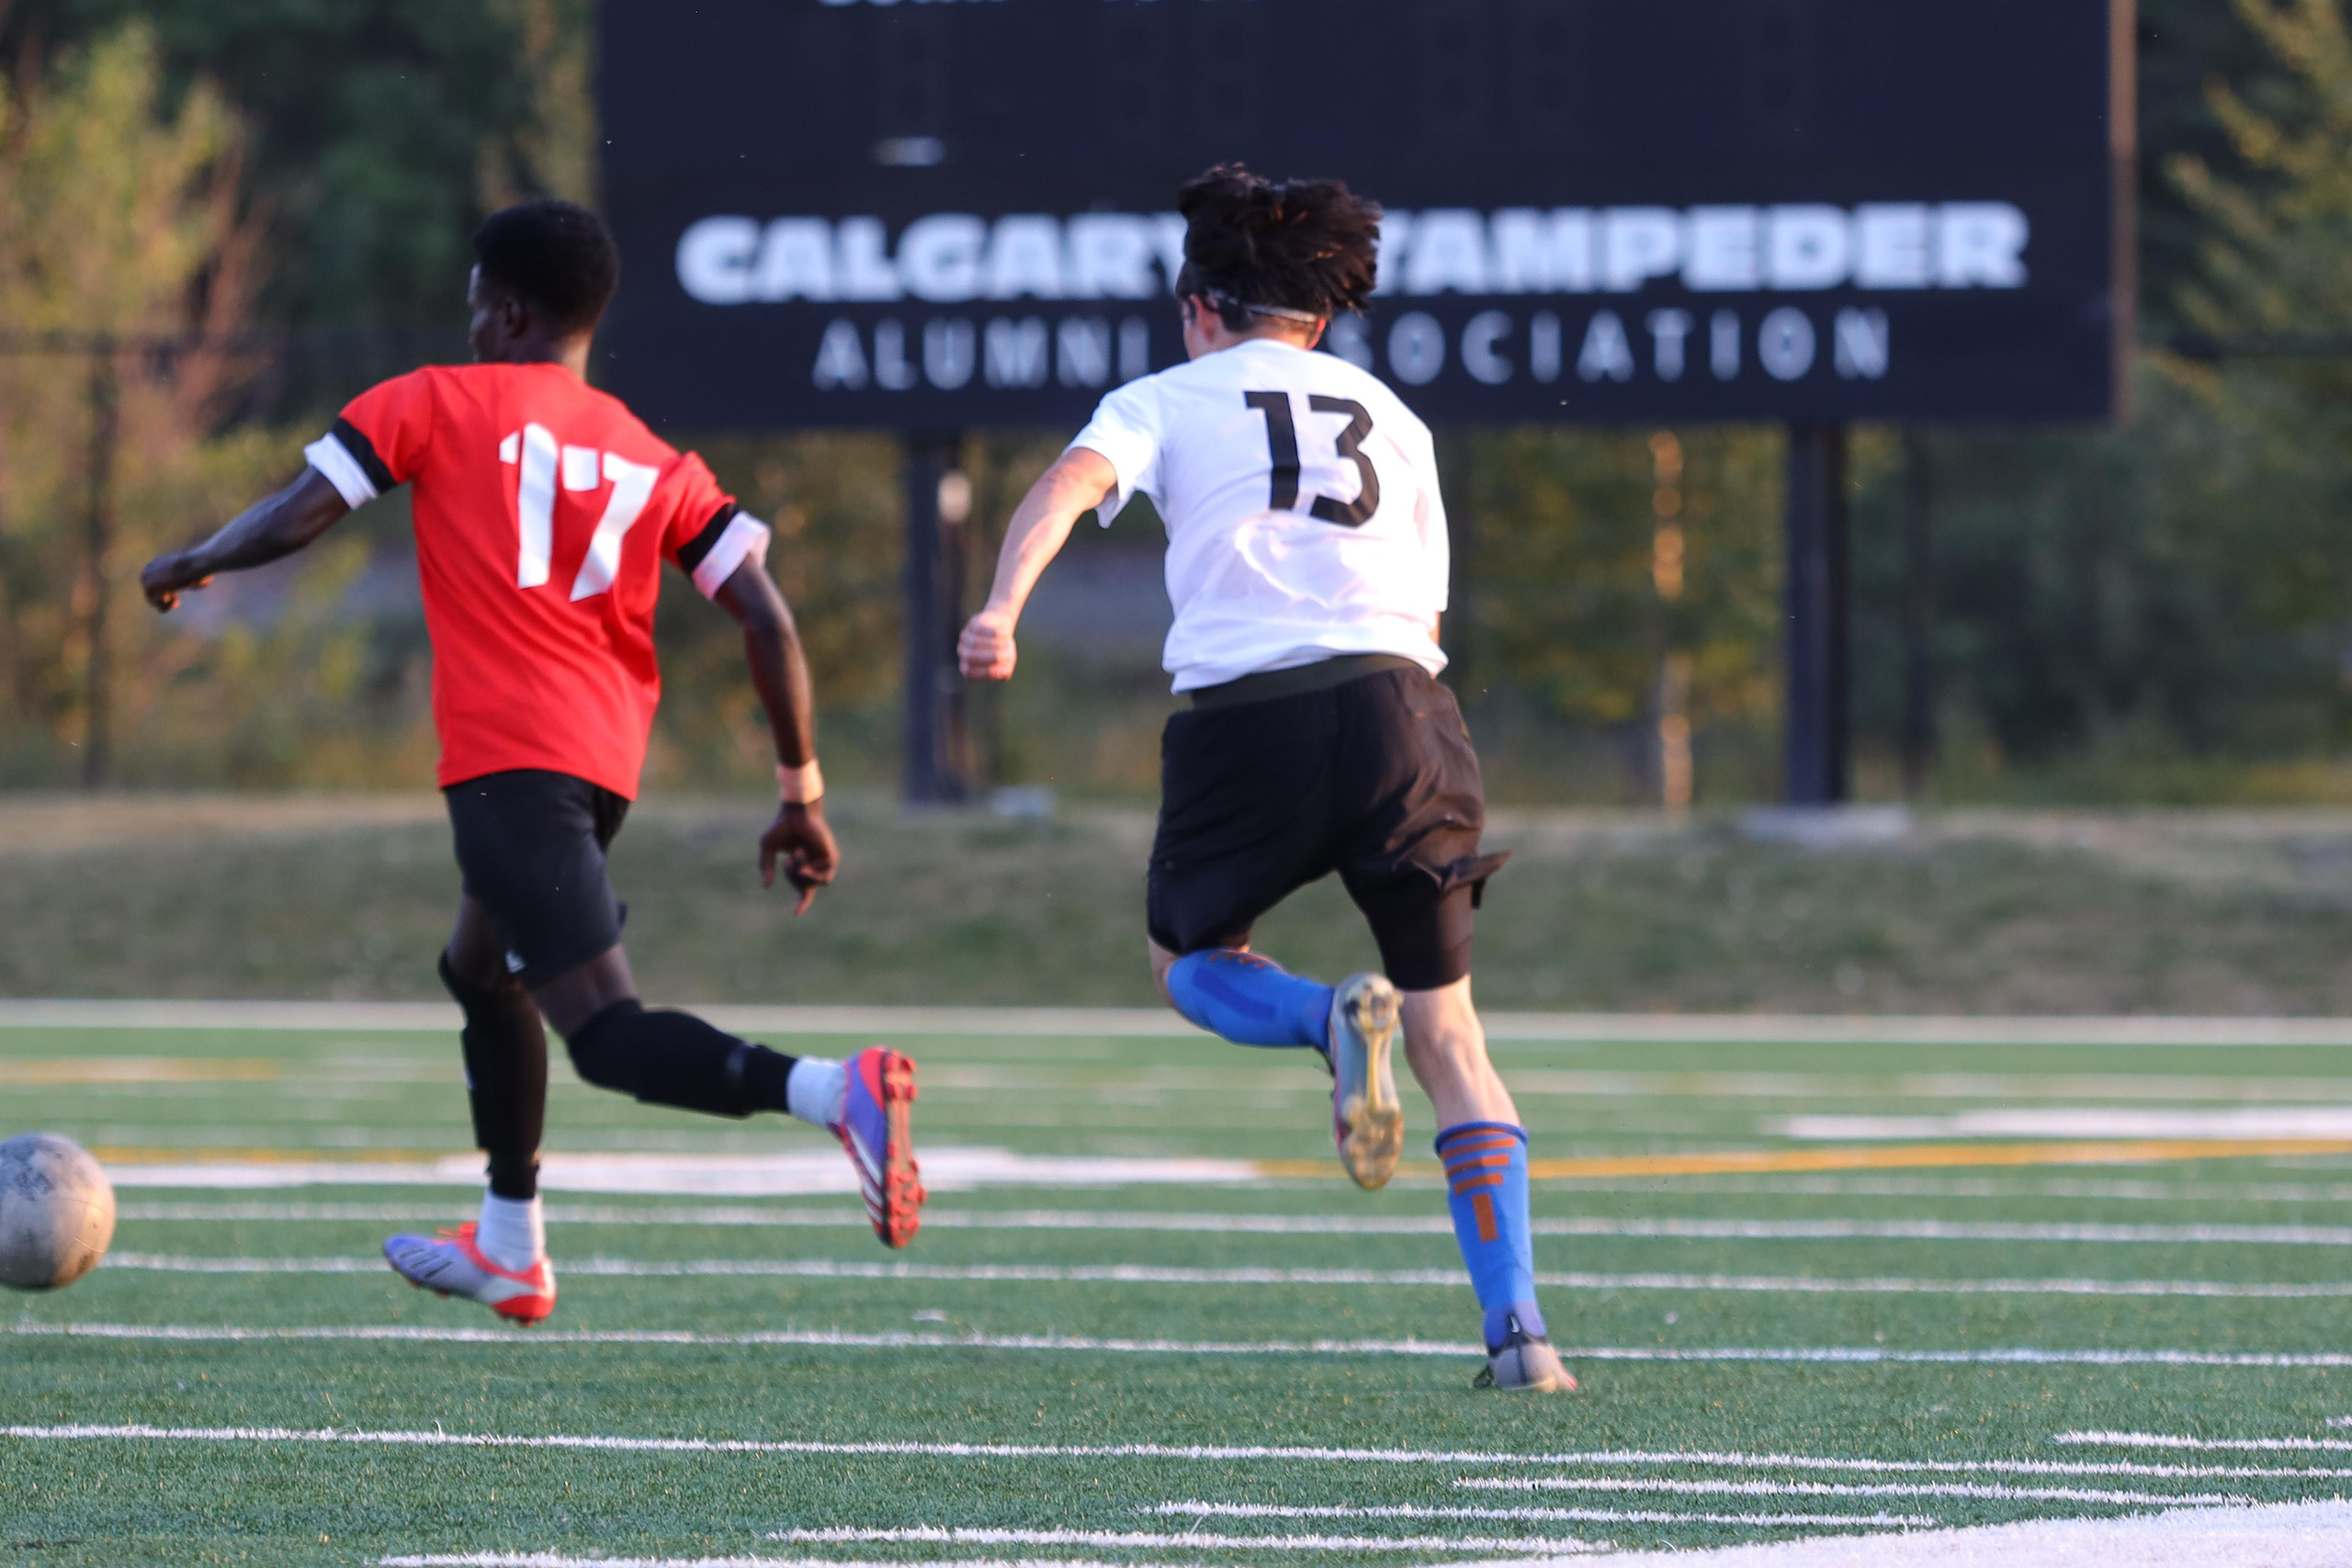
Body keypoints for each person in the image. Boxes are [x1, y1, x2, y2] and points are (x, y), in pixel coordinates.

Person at [140, 199, 925, 1325]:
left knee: (605, 1034)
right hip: (599, 767)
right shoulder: (654, 454)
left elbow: (302, 514)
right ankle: (511, 1244)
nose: (468, 328)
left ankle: (830, 1091)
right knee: (479, 970)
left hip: (513, 768)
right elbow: (769, 622)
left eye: (473, 308)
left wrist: (191, 558)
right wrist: (801, 792)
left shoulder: (431, 402)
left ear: (506, 311)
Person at [957, 166, 1569, 1393]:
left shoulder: (1166, 397)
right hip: (1408, 711)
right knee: (1452, 1028)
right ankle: (1522, 1336)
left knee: (1187, 957)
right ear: (1323, 317)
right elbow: (1425, 604)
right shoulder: (1399, 420)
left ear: (1198, 306)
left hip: (1252, 718)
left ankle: (1320, 1016)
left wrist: (1001, 605)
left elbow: (1068, 485)